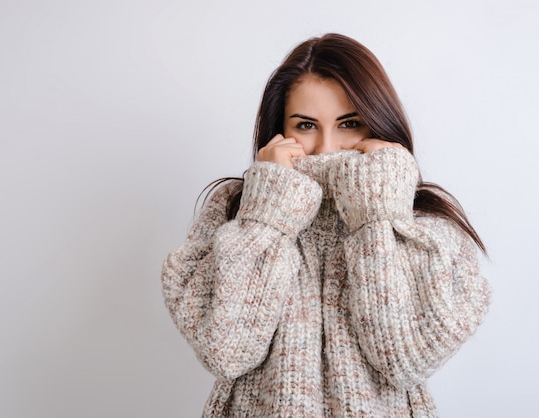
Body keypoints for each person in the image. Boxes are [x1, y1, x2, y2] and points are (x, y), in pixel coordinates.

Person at [161, 33, 491, 417]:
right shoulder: (237, 208)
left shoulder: (423, 218)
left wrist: (378, 212)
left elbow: (405, 360)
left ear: (377, 123)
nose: (327, 148)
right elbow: (227, 351)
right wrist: (268, 212)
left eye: (349, 123)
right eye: (305, 126)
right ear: (279, 130)